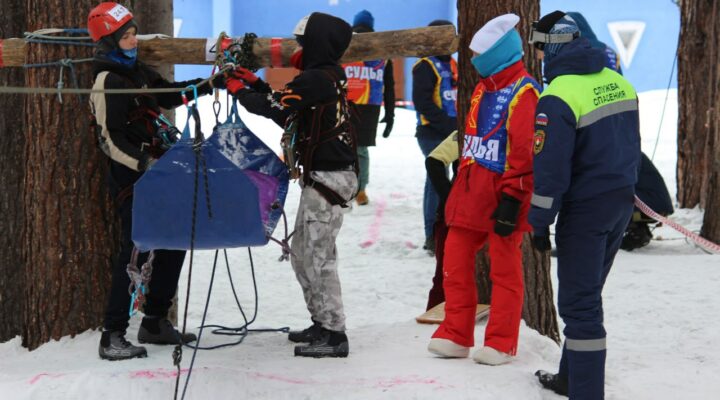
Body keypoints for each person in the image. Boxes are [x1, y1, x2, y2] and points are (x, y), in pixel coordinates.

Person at [88, 2, 221, 360]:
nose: (133, 41)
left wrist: (209, 84)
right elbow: (108, 139)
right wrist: (144, 163)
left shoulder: (138, 73)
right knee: (135, 252)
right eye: (126, 36)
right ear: (110, 42)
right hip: (134, 179)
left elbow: (168, 94)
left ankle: (155, 321)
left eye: (133, 34)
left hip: (157, 172)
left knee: (175, 239)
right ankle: (112, 334)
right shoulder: (107, 79)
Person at [224, 12, 356, 358]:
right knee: (303, 255)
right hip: (324, 177)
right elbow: (288, 111)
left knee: (316, 257)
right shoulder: (323, 78)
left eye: (302, 42)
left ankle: (334, 333)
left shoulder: (316, 79)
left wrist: (239, 90)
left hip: (329, 178)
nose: (298, 49)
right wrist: (254, 83)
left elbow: (272, 107)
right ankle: (321, 321)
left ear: (315, 44)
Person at [527, 11, 641, 399]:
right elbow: (629, 149)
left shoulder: (558, 95)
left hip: (585, 211)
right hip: (619, 205)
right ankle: (570, 379)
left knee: (579, 307)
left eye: (540, 50)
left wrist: (540, 224)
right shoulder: (619, 82)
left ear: (553, 47)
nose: (539, 59)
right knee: (587, 296)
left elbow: (551, 171)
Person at [427, 14, 540, 366]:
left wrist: (513, 199)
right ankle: (456, 333)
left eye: (481, 52)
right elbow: (473, 140)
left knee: (504, 272)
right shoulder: (480, 88)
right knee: (455, 263)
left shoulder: (525, 92)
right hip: (470, 194)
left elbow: (524, 154)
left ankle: (501, 342)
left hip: (505, 197)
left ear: (500, 52)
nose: (474, 59)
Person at [412, 19, 458, 254]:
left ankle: (453, 228)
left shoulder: (455, 64)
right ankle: (432, 234)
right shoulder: (425, 66)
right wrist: (448, 125)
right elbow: (422, 103)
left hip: (456, 133)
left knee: (459, 178)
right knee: (435, 180)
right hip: (432, 132)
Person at [342, 10, 395, 206]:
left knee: (341, 146)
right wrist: (391, 114)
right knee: (361, 150)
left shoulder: (344, 43)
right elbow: (390, 86)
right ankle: (360, 190)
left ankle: (350, 189)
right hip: (369, 107)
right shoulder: (380, 48)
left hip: (344, 103)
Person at [423, 130, 459, 310]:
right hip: (453, 219)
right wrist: (450, 196)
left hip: (491, 217)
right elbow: (433, 161)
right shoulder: (466, 131)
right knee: (444, 277)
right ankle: (433, 321)